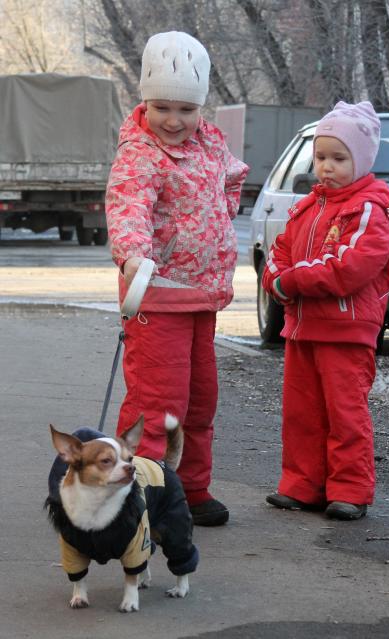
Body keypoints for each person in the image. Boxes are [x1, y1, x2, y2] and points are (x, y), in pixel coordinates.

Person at [105, 31, 248, 526]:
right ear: (146, 100)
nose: (174, 120)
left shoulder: (211, 142)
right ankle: (142, 492)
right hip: (157, 294)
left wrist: (217, 217)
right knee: (158, 399)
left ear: (200, 108)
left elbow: (233, 175)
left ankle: (191, 487)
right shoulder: (140, 152)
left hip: (202, 294)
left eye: (185, 110)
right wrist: (132, 258)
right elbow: (128, 208)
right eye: (162, 107)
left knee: (200, 398)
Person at [262, 101, 389, 520]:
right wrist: (275, 278)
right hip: (303, 329)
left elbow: (350, 265)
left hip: (346, 331)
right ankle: (303, 485)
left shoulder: (370, 209)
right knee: (302, 412)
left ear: (360, 160)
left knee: (345, 414)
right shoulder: (307, 207)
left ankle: (350, 489)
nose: (326, 167)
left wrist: (293, 280)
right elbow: (279, 251)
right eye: (320, 157)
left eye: (338, 159)